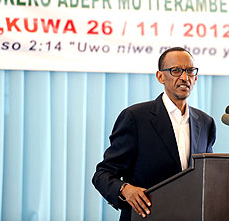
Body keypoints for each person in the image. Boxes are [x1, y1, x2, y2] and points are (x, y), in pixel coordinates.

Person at [92, 47, 216, 220]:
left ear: (195, 77)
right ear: (160, 76)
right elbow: (102, 174)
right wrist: (125, 189)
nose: (184, 77)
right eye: (176, 71)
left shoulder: (205, 122)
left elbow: (205, 175)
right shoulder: (135, 118)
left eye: (190, 71)